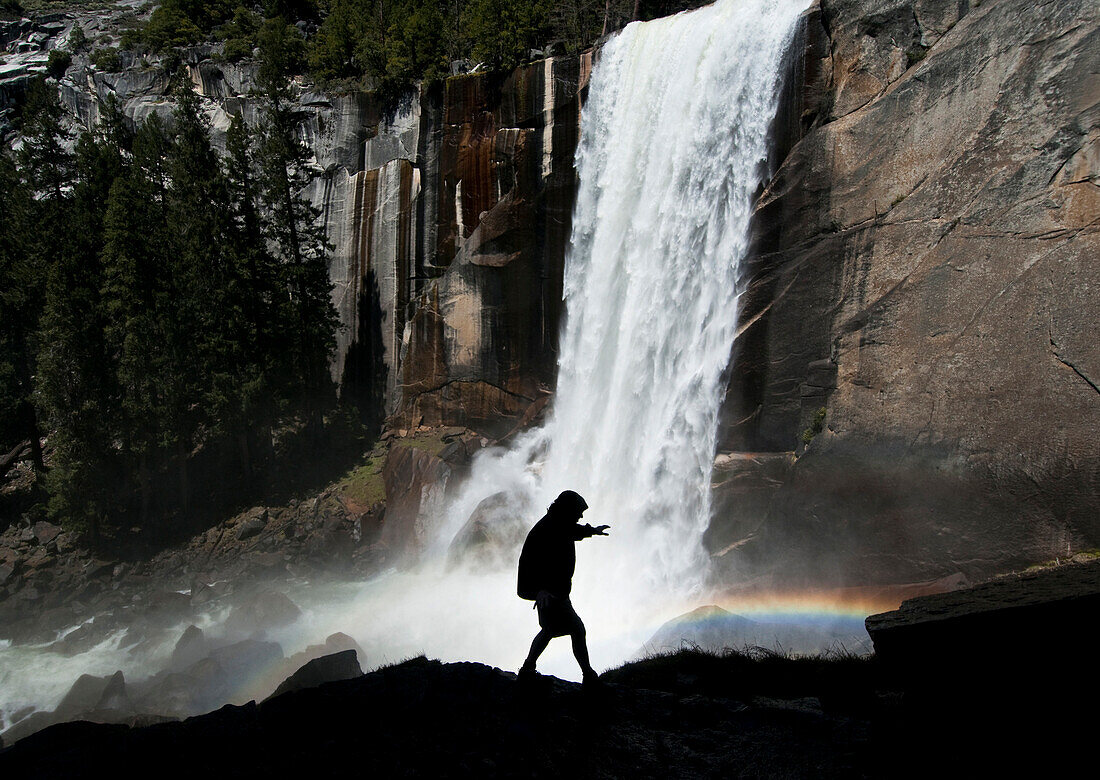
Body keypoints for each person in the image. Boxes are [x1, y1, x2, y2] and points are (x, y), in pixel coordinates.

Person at [516, 490, 609, 685]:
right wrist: (538, 591)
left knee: (550, 630)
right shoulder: (547, 528)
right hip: (549, 594)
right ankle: (588, 675)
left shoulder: (557, 523)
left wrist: (593, 530)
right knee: (575, 629)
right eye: (578, 511)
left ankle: (528, 668)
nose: (581, 515)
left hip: (555, 592)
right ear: (568, 510)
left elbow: (573, 530)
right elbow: (527, 564)